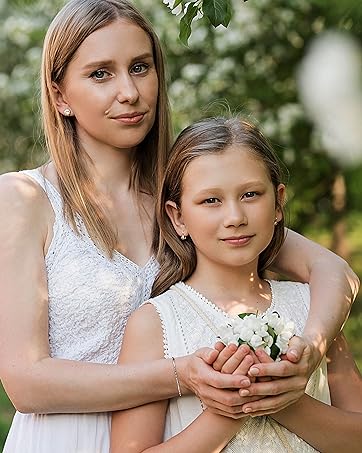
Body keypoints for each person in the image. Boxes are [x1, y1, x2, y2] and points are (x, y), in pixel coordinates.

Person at [0, 1, 358, 452]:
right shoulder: (23, 199)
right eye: (100, 74)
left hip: (175, 434)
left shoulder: (191, 198)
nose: (129, 91)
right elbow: (25, 382)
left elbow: (334, 274)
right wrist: (182, 374)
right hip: (63, 437)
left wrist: (307, 352)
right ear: (60, 96)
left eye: (140, 67)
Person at [110, 116, 362, 452]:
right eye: (211, 200)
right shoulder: (156, 323)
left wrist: (284, 399)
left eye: (251, 194)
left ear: (278, 202)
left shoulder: (313, 306)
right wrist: (230, 410)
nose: (235, 217)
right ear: (178, 216)